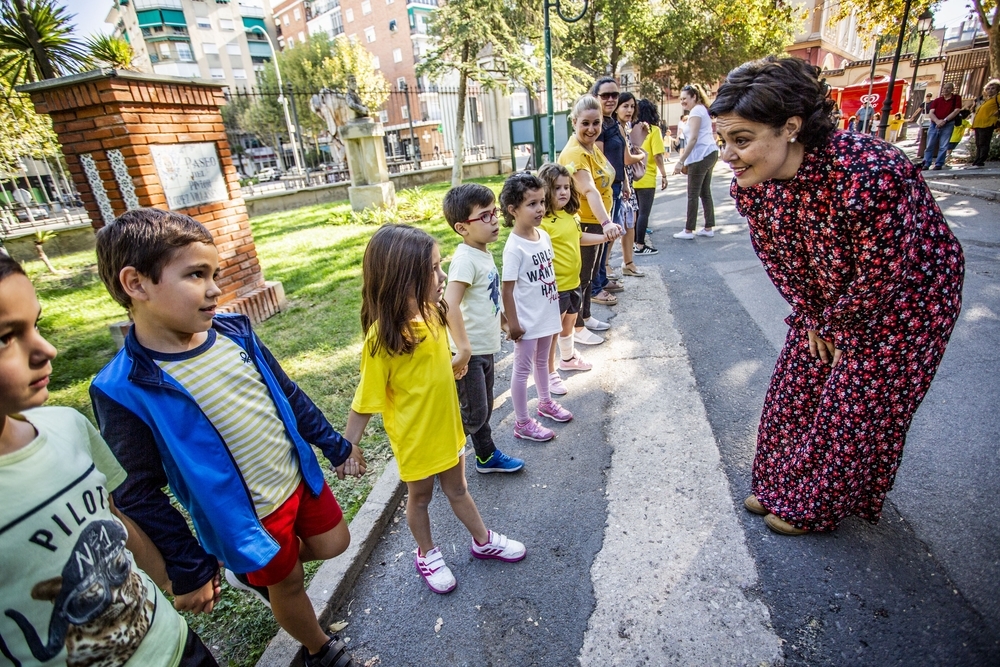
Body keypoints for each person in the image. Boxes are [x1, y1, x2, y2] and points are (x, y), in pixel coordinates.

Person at [89, 209, 362, 667]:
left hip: (297, 481)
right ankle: (319, 648)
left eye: (213, 273)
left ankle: (253, 573)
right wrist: (189, 565)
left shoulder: (235, 331)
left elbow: (287, 394)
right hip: (246, 519)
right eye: (196, 275)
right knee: (288, 582)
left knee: (335, 543)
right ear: (136, 284)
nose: (215, 288)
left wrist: (333, 444)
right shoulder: (122, 387)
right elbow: (137, 491)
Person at [711, 55, 964, 536]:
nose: (728, 154)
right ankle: (780, 487)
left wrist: (835, 325)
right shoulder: (753, 186)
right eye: (724, 140)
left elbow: (881, 275)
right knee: (797, 386)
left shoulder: (870, 171)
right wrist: (812, 317)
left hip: (908, 301)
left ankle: (813, 505)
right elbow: (780, 263)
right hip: (828, 301)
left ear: (790, 127)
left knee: (855, 403)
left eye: (741, 140)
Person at [0, 256, 220, 667]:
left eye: (36, 325)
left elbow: (115, 516)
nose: (46, 349)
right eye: (5, 338)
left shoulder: (67, 425)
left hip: (174, 644)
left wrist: (174, 579)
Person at [345, 224, 526, 594]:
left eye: (439, 266)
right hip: (416, 440)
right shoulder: (383, 338)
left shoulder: (432, 313)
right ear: (402, 277)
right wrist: (349, 445)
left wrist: (455, 362)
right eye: (432, 269)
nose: (442, 276)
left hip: (449, 429)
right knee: (421, 498)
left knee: (458, 489)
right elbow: (365, 399)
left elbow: (436, 362)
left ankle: (482, 540)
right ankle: (427, 553)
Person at [442, 184, 525, 474]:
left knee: (482, 407)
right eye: (485, 216)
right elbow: (449, 304)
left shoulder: (482, 253)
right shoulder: (465, 259)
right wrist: (463, 349)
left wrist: (503, 321)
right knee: (476, 412)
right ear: (462, 227)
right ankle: (473, 456)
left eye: (494, 213)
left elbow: (487, 296)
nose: (494, 221)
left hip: (484, 347)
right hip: (470, 352)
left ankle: (475, 455)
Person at [499, 171, 573, 442]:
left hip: (547, 313)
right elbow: (506, 290)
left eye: (542, 202)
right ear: (513, 210)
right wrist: (513, 323)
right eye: (532, 204)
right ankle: (521, 422)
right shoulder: (513, 248)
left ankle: (545, 402)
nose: (540, 208)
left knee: (544, 361)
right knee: (521, 370)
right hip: (527, 321)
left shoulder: (542, 236)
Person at [538, 162, 612, 395]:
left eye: (567, 187)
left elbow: (578, 238)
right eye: (556, 188)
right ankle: (548, 373)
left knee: (569, 322)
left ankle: (568, 358)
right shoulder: (543, 223)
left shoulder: (570, 216)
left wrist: (604, 237)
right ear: (544, 190)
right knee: (552, 333)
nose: (563, 192)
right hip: (555, 287)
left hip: (573, 283)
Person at [557, 94, 623, 347]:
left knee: (591, 274)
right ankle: (577, 326)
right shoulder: (575, 152)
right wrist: (607, 223)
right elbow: (590, 190)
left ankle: (585, 315)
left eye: (596, 123)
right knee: (581, 277)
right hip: (583, 221)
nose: (591, 129)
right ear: (574, 122)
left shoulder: (590, 147)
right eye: (585, 123)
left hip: (595, 219)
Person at [591, 77, 629, 304]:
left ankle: (602, 280)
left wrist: (623, 183)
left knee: (608, 239)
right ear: (596, 97)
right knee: (601, 237)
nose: (611, 99)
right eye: (605, 95)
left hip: (615, 187)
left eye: (615, 94)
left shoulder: (611, 122)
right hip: (602, 190)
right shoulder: (597, 124)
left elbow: (619, 159)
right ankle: (595, 288)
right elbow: (600, 162)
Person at [673, 83, 720, 239]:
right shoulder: (701, 110)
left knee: (693, 193)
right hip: (709, 152)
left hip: (701, 155)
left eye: (685, 98)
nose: (682, 102)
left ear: (694, 96)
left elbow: (693, 138)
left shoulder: (695, 112)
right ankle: (708, 227)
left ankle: (688, 230)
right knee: (705, 192)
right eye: (680, 99)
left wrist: (681, 161)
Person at [611, 92, 649, 276]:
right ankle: (606, 264)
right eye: (625, 106)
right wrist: (642, 155)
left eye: (632, 106)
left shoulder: (626, 127)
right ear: (616, 108)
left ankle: (629, 262)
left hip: (627, 182)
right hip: (619, 181)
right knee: (616, 224)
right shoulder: (615, 127)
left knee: (629, 223)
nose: (629, 110)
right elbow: (626, 159)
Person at [633, 98, 668, 257]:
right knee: (644, 214)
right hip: (647, 177)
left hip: (633, 176)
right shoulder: (653, 130)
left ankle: (633, 243)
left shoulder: (632, 128)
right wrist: (664, 174)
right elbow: (658, 156)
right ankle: (640, 245)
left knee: (635, 213)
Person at [921, 82, 963, 170]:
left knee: (943, 146)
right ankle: (926, 163)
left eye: (948, 88)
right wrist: (937, 121)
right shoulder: (937, 100)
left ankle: (938, 164)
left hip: (948, 124)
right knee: (929, 145)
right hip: (934, 124)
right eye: (944, 88)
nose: (945, 90)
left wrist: (945, 121)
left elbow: (956, 110)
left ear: (952, 89)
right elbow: (931, 112)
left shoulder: (956, 98)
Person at [970, 78, 1000, 167]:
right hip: (978, 124)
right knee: (978, 144)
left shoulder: (997, 97)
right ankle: (976, 161)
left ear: (997, 89)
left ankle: (980, 161)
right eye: (988, 88)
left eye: (993, 88)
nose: (990, 90)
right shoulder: (986, 100)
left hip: (987, 124)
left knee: (983, 143)